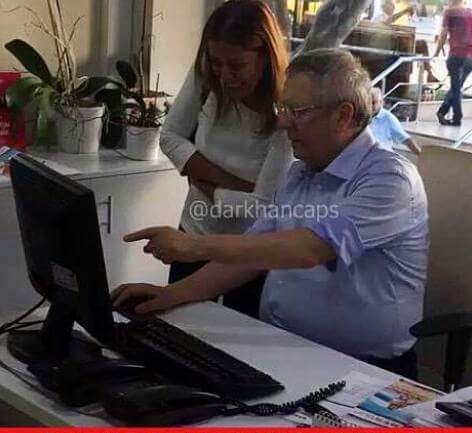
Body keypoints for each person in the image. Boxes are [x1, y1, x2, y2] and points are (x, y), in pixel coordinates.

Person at [113, 49, 429, 379]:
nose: (282, 122)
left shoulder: (390, 179)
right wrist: (172, 294)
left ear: (343, 116)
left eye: (298, 112)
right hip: (284, 349)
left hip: (362, 371)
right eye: (283, 108)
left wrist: (193, 245)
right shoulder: (301, 172)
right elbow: (253, 253)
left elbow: (310, 249)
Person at [159, 0, 293, 319]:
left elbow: (261, 208)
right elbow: (169, 137)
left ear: (265, 57)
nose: (224, 76)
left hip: (248, 254)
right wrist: (236, 186)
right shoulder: (206, 77)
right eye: (217, 62)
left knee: (236, 339)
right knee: (178, 326)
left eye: (236, 65)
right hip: (193, 234)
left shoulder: (287, 111)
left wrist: (203, 182)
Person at [434, 0, 472, 126]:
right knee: (457, 87)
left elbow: (444, 33)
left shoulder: (450, 12)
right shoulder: (470, 12)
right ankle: (442, 112)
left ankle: (457, 117)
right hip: (470, 56)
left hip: (456, 54)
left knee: (456, 88)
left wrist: (437, 52)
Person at [370, 87, 422, 155]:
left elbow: (406, 139)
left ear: (381, 102)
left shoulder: (388, 118)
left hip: (381, 157)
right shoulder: (362, 116)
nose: (370, 105)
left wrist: (422, 156)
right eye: (368, 102)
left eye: (373, 102)